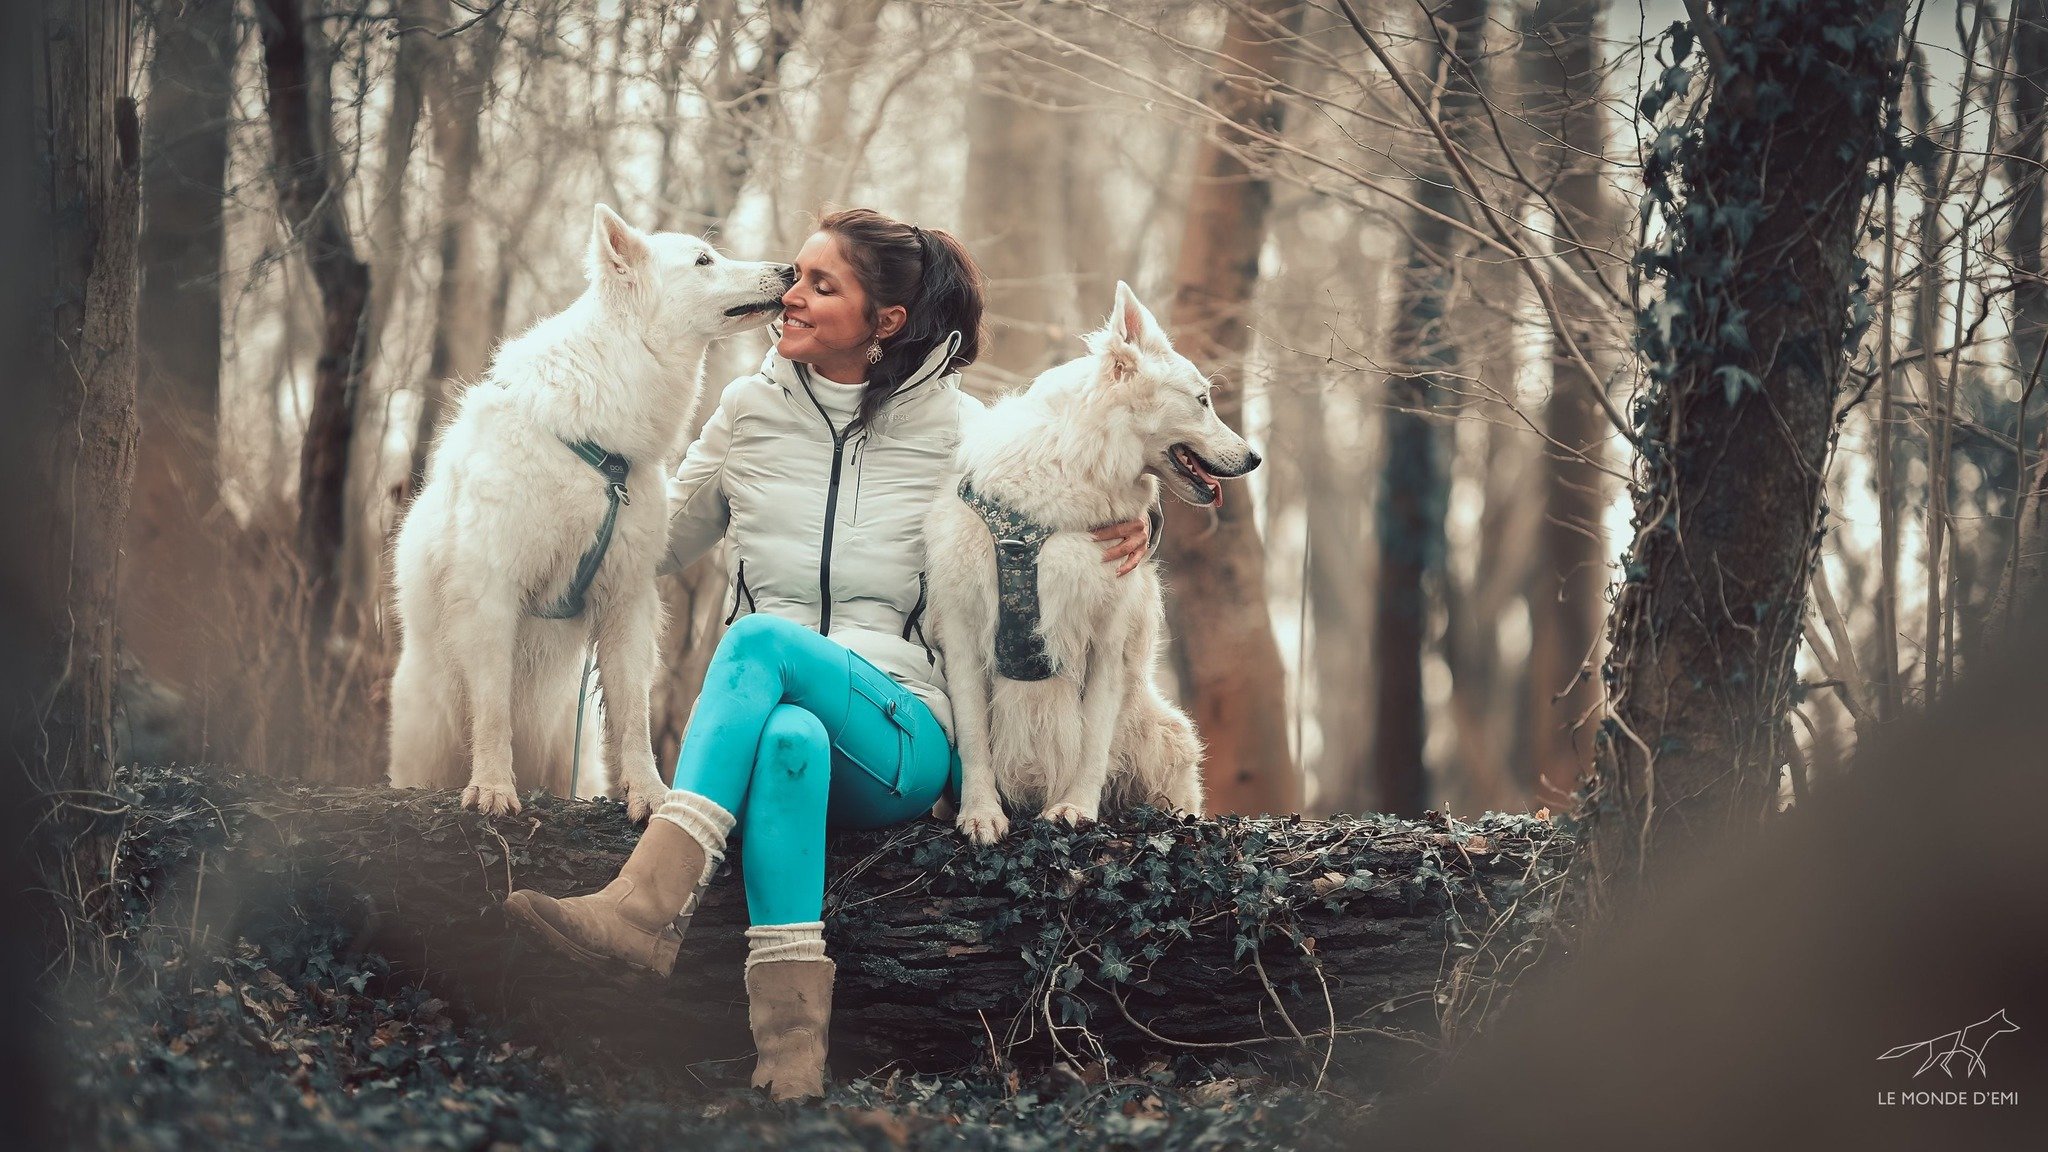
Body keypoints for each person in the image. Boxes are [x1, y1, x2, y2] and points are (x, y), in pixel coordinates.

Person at [503, 208, 1157, 1099]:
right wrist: (538, 458)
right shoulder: (747, 413)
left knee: (761, 637)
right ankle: (791, 1056)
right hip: (773, 722)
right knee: (787, 742)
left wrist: (1142, 515)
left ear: (885, 322)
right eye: (797, 275)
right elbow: (645, 541)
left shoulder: (962, 433)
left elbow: (1076, 483)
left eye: (821, 284)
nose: (790, 294)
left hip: (905, 735)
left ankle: (646, 905)